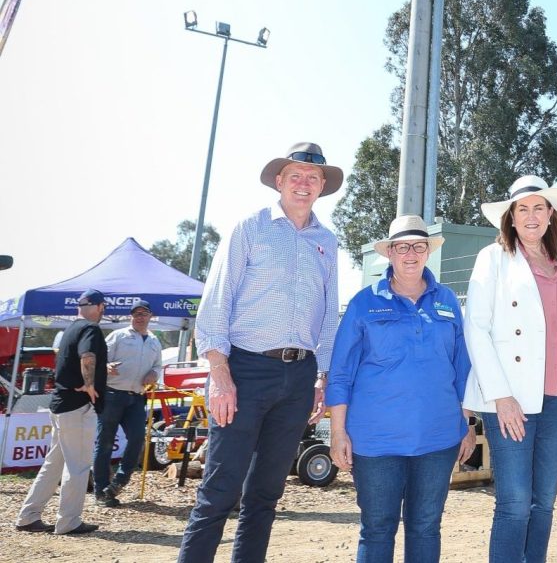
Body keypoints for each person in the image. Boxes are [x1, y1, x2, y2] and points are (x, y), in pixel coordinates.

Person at [177, 142, 342, 563]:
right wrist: (220, 373)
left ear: (322, 187)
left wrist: (322, 376)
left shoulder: (327, 241)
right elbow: (217, 300)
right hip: (245, 371)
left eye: (312, 178)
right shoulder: (249, 228)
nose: (304, 184)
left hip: (300, 376)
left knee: (266, 494)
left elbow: (327, 314)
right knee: (219, 491)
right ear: (279, 182)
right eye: (296, 176)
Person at [327, 215, 475, 563]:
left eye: (419, 246)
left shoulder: (448, 301)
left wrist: (466, 426)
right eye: (403, 247)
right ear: (390, 253)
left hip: (438, 439)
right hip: (376, 442)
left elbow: (463, 370)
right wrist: (337, 432)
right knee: (377, 528)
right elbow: (340, 373)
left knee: (426, 526)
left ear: (428, 252)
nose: (411, 254)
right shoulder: (364, 302)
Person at [464, 176, 557, 563]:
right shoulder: (494, 257)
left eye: (539, 207)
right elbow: (476, 328)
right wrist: (500, 397)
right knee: (515, 503)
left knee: (545, 502)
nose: (532, 216)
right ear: (511, 218)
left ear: (551, 215)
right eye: (523, 209)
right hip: (511, 399)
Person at [13, 288, 109, 536]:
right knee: (77, 466)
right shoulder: (91, 328)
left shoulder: (70, 329)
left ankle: (28, 516)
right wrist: (89, 383)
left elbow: (75, 360)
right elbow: (87, 355)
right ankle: (69, 521)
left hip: (60, 405)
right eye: (103, 307)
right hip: (77, 406)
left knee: (53, 464)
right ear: (99, 306)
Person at [92, 299, 164, 504]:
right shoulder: (118, 335)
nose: (140, 317)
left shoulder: (154, 341)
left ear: (150, 316)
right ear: (131, 317)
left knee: (137, 439)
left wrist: (154, 373)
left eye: (144, 314)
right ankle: (100, 490)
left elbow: (158, 366)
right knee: (105, 443)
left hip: (137, 398)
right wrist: (105, 367)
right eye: (136, 314)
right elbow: (99, 358)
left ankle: (119, 482)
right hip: (113, 394)